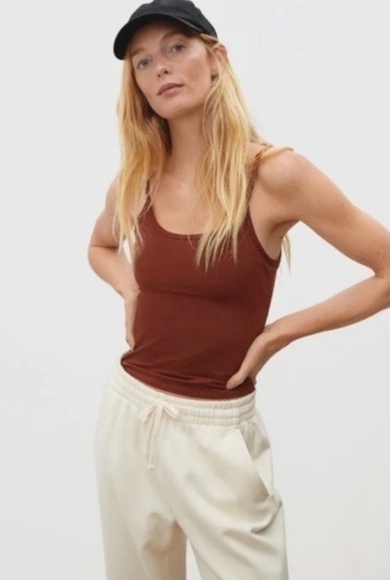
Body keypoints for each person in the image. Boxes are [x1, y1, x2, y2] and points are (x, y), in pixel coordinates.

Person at [87, 0, 390, 578]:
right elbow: (100, 245)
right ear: (138, 86)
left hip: (218, 434)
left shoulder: (276, 175)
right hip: (129, 419)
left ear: (217, 58)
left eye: (177, 47)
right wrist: (130, 289)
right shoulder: (139, 178)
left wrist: (278, 333)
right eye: (143, 61)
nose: (160, 67)